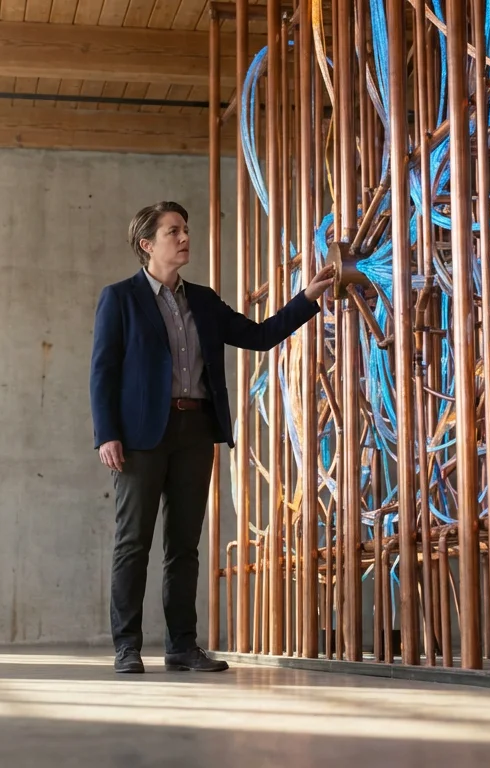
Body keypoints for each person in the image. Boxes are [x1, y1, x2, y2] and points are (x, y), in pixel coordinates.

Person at [89, 201, 336, 673]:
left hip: (196, 429)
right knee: (132, 542)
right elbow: (103, 371)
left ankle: (182, 647)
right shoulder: (119, 298)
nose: (185, 238)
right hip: (140, 436)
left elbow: (260, 336)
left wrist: (307, 299)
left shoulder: (202, 299)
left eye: (186, 229)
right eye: (173, 231)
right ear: (147, 244)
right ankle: (127, 647)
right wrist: (107, 434)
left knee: (184, 545)